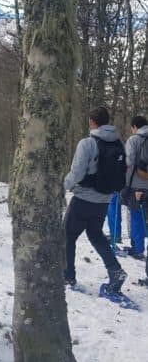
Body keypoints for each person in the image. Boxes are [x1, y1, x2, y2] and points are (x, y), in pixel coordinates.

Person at [63, 106, 127, 293]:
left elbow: (77, 172)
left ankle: (68, 275)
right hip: (104, 200)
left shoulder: (87, 143)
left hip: (83, 199)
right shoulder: (119, 143)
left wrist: (64, 185)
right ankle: (115, 270)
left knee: (67, 235)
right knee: (96, 235)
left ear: (92, 121)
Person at [123, 115, 148, 259]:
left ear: (135, 127)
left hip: (137, 185)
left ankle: (138, 249)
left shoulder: (133, 140)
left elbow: (129, 162)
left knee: (136, 215)